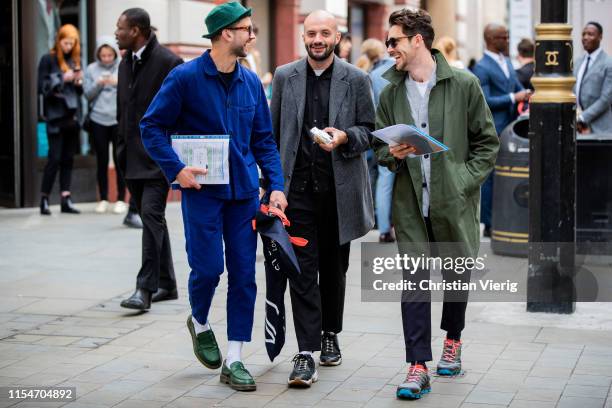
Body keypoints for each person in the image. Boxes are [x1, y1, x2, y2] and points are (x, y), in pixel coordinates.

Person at [140, 2, 286, 392]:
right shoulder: (185, 78)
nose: (252, 36)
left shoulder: (251, 81)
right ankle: (200, 321)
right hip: (201, 192)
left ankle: (235, 358)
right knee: (207, 269)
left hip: (243, 194)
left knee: (243, 274)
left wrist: (276, 185)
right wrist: (176, 169)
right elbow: (151, 126)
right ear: (226, 34)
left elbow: (264, 141)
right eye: (247, 30)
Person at [373, 8, 498, 399]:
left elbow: (487, 142)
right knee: (414, 280)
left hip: (452, 203)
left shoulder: (464, 84)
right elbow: (380, 152)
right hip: (410, 204)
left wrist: (463, 181)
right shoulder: (390, 90)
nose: (390, 48)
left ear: (417, 40)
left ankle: (453, 339)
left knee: (456, 276)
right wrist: (393, 153)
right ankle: (416, 366)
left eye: (394, 40)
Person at [271, 10, 375, 387]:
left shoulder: (357, 78)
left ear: (337, 37)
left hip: (338, 192)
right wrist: (273, 186)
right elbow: (272, 133)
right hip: (296, 191)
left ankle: (331, 331)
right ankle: (306, 351)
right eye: (312, 32)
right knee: (301, 272)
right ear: (304, 35)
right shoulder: (285, 76)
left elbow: (370, 132)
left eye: (324, 33)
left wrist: (346, 136)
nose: (317, 39)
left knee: (334, 270)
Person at [115, 8, 183, 310]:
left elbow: (181, 111)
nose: (116, 33)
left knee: (152, 218)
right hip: (129, 157)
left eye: (121, 28)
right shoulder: (125, 62)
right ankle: (167, 284)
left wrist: (172, 156)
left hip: (157, 159)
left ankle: (144, 289)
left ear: (138, 30)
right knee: (152, 219)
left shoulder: (169, 62)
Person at [472, 24, 528, 238]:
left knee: (508, 176)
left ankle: (505, 216)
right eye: (503, 37)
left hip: (512, 129)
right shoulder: (481, 67)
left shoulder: (507, 62)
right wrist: (514, 98)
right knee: (490, 178)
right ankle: (488, 223)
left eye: (507, 36)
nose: (507, 40)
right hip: (492, 130)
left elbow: (515, 87)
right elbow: (485, 101)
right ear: (490, 39)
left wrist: (525, 94)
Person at [38, 24, 83, 216]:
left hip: (71, 118)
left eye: (71, 43)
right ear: (59, 40)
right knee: (54, 159)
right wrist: (62, 78)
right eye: (65, 43)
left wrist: (79, 82)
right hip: (55, 118)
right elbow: (42, 87)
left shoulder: (73, 60)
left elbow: (79, 93)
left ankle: (66, 198)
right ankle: (44, 199)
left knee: (68, 159)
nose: (68, 47)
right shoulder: (47, 59)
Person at [84, 37, 129, 214]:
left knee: (120, 161)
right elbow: (87, 95)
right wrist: (98, 83)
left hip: (118, 120)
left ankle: (120, 199)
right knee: (101, 161)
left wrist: (117, 83)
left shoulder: (123, 66)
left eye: (110, 54)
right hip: (98, 120)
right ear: (98, 55)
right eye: (103, 55)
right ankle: (102, 198)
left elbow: (130, 91)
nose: (107, 58)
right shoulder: (91, 69)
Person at [574, 21, 612, 135]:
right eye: (583, 34)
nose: (585, 37)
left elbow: (606, 99)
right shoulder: (578, 62)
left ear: (600, 37)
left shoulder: (608, 63)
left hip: (600, 129)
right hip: (578, 129)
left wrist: (582, 117)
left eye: (590, 34)